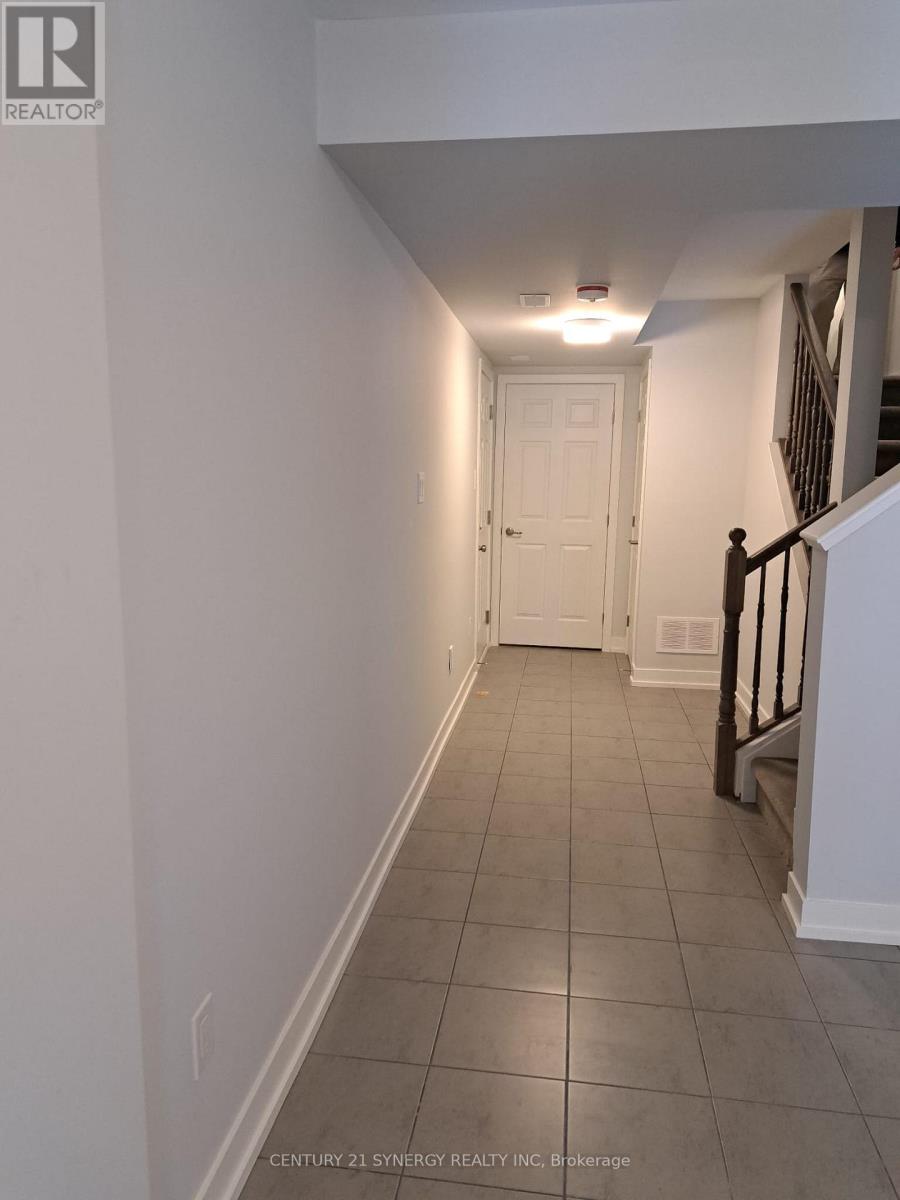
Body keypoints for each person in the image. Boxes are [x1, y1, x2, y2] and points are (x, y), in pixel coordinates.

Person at [807, 212, 900, 361]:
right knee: (816, 308)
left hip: (872, 248)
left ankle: (843, 375)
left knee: (859, 319)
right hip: (832, 247)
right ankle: (810, 372)